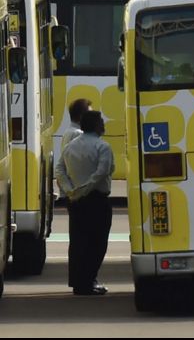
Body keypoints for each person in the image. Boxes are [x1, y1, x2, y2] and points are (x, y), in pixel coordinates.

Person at [54, 110, 114, 295]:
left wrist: (71, 189)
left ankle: (79, 282)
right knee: (97, 243)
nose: (103, 124)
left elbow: (59, 169)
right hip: (96, 200)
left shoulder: (70, 147)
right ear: (96, 126)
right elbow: (102, 172)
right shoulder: (102, 147)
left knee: (78, 242)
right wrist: (84, 190)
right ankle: (89, 280)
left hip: (76, 202)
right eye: (101, 122)